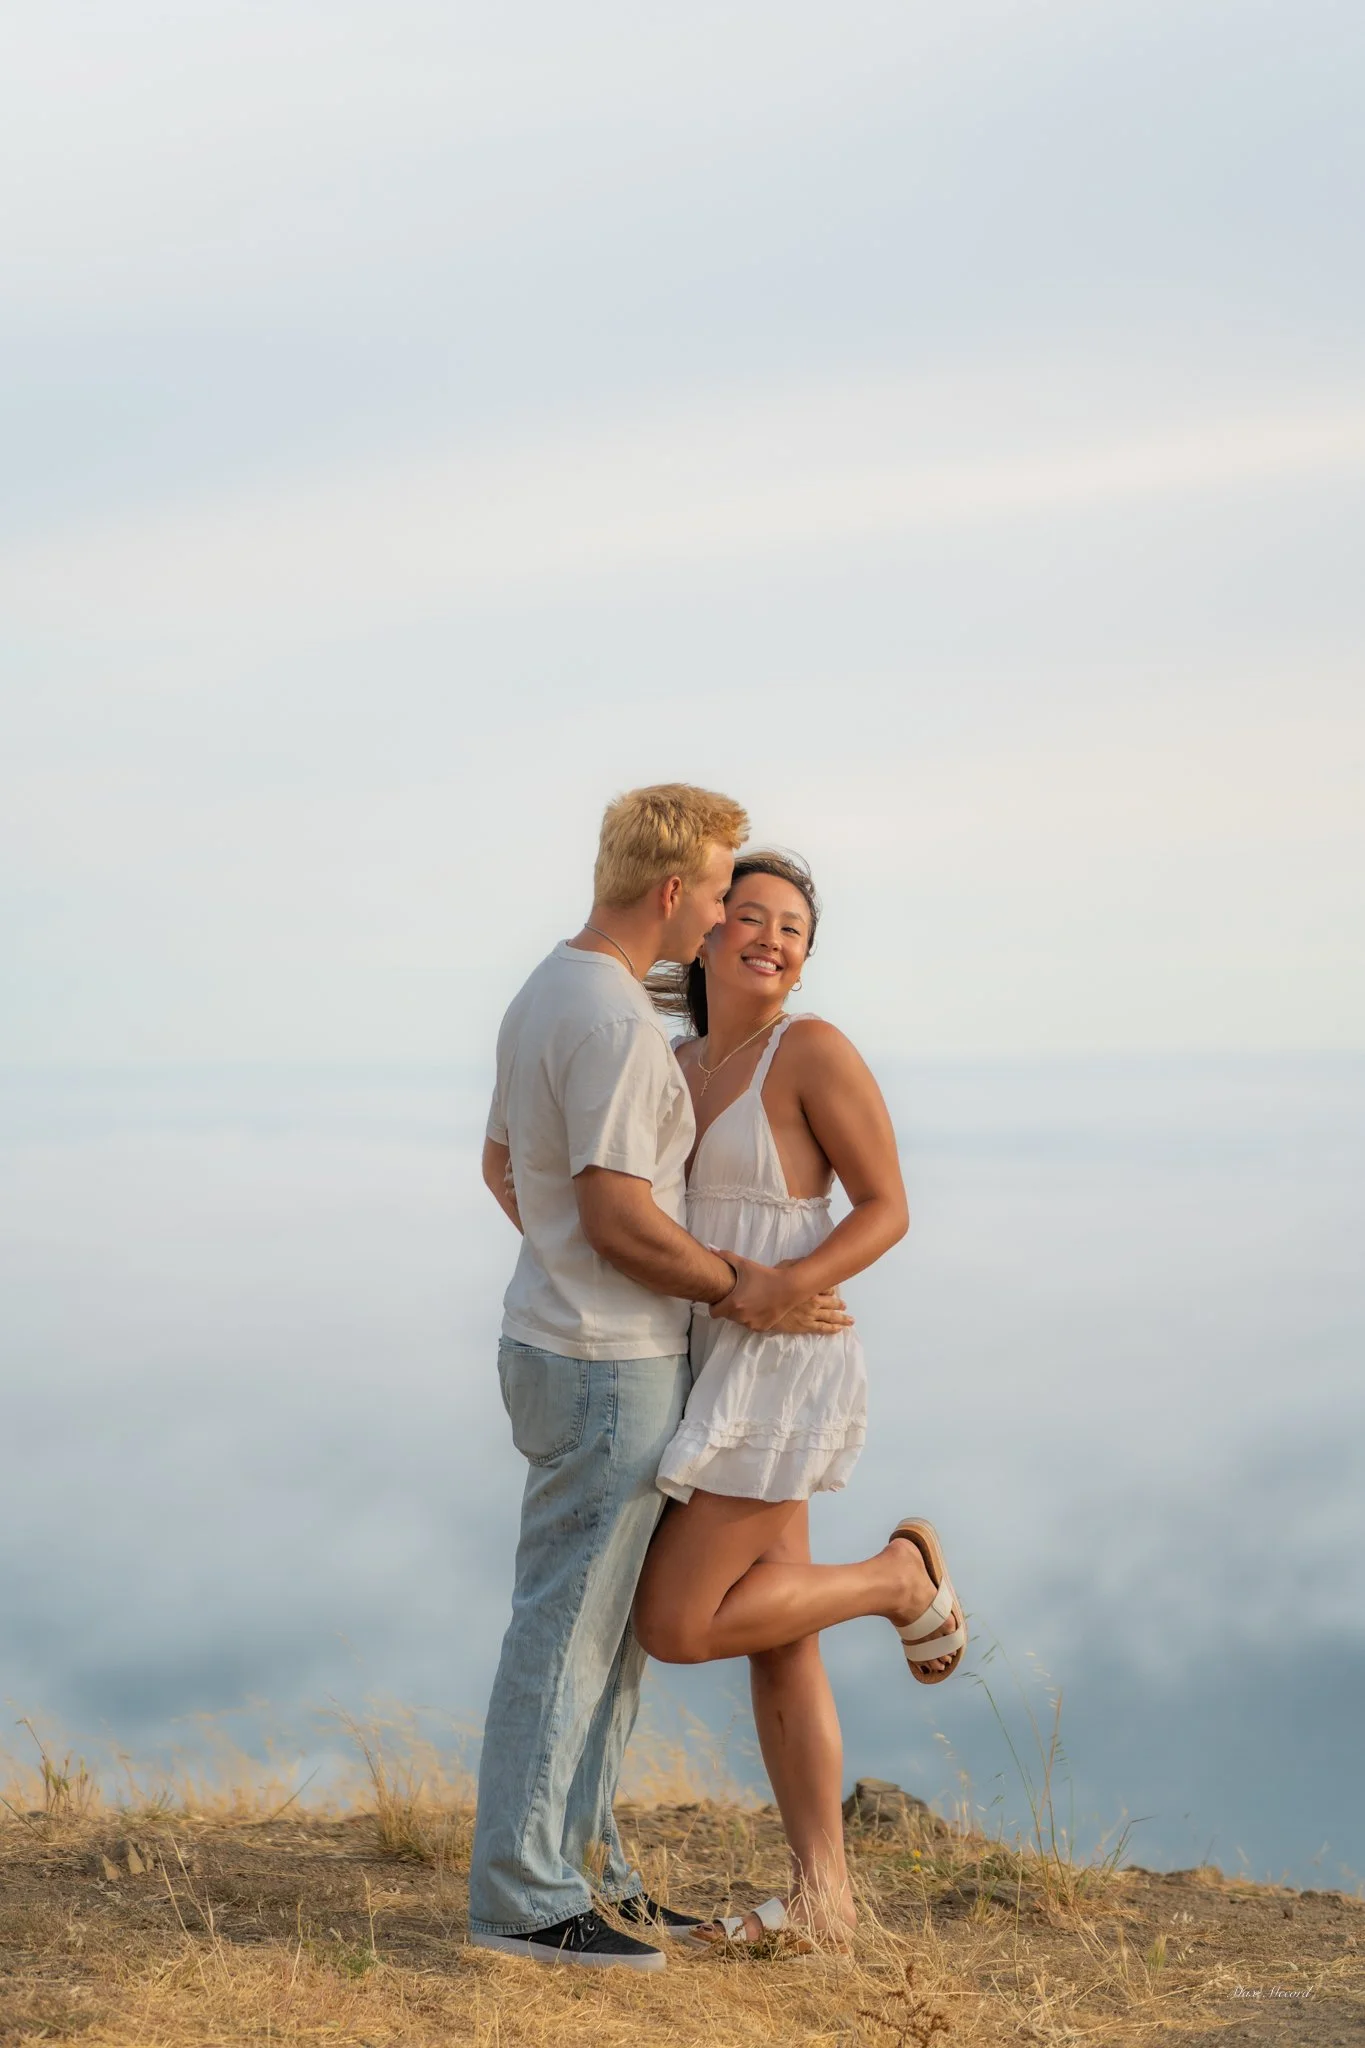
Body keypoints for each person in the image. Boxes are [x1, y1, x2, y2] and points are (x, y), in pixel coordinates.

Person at [466, 786, 852, 1973]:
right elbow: (621, 1218)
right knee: (574, 1633)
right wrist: (743, 1283)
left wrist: (570, 1268)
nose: (734, 915)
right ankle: (529, 1896)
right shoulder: (627, 1027)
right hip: (607, 1361)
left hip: (558, 1337)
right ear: (676, 891)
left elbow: (501, 1168)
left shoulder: (552, 987)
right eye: (726, 888)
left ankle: (590, 1872)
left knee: (606, 1631)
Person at [632, 850, 968, 1956]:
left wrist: (782, 1286)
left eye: (794, 928)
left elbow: (888, 1207)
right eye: (751, 915)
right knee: (779, 1634)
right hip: (703, 1354)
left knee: (678, 1621)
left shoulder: (809, 1050)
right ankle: (824, 1895)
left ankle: (893, 1576)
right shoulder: (675, 1061)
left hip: (780, 1360)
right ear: (710, 929)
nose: (773, 937)